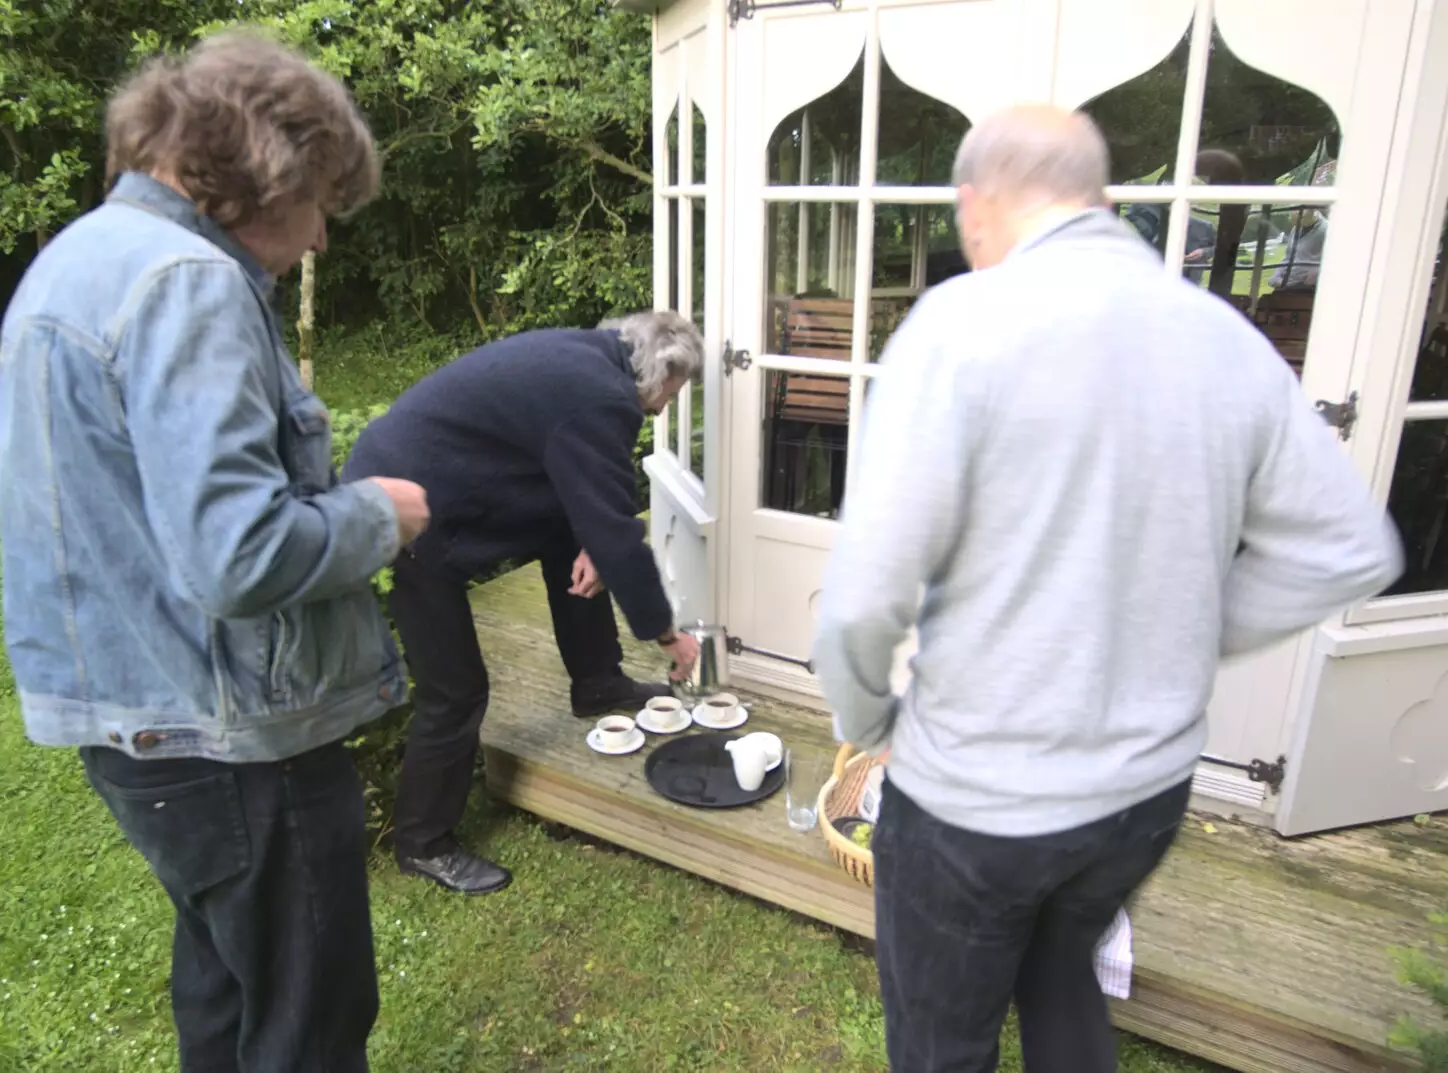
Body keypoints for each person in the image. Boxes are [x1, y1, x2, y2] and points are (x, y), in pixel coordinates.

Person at [811, 105, 1402, 1073]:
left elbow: (860, 600)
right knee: (1060, 976)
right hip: (1141, 794)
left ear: (975, 205)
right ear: (1105, 202)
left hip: (975, 805)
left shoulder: (961, 322)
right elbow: (1350, 549)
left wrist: (871, 722)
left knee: (940, 1039)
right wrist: (1185, 629)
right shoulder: (1222, 336)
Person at [0, 32, 428, 1073]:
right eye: (323, 199)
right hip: (231, 736)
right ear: (270, 169)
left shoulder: (81, 259)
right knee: (307, 1026)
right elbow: (239, 556)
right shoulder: (186, 281)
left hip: (142, 724)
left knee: (228, 988)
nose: (321, 235)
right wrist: (378, 514)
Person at [342, 312, 704, 895]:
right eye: (673, 392)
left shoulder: (592, 359)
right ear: (658, 372)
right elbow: (615, 532)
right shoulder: (599, 399)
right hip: (401, 513)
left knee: (570, 535)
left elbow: (588, 495)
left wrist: (592, 538)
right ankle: (423, 843)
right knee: (456, 691)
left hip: (443, 478)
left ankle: (598, 685)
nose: (663, 408)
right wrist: (667, 635)